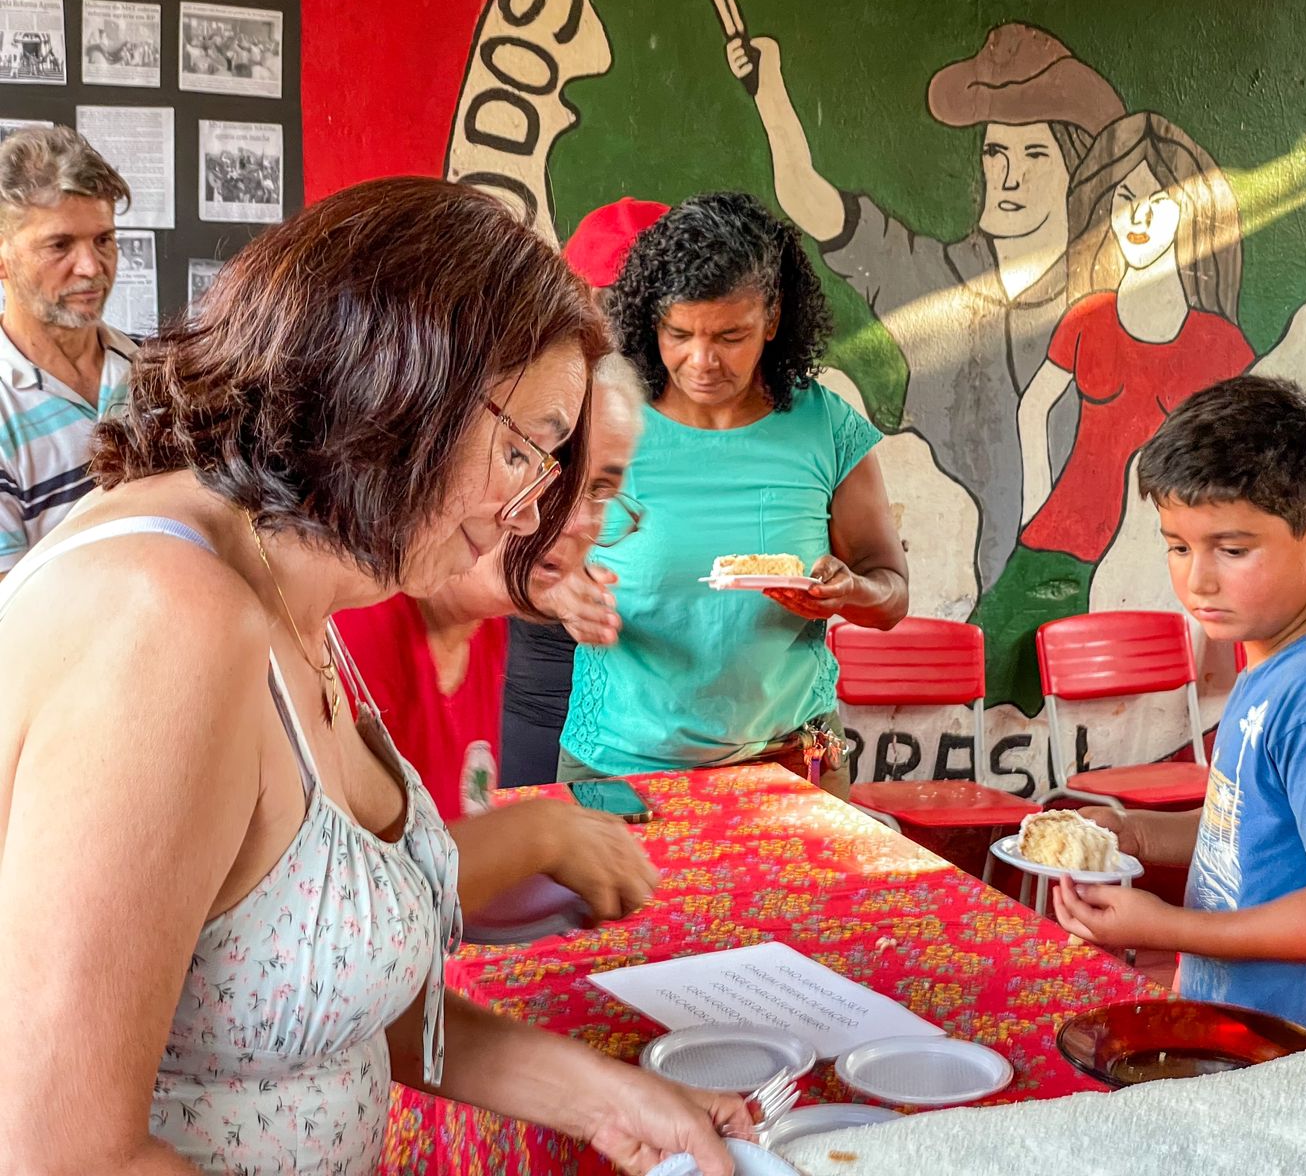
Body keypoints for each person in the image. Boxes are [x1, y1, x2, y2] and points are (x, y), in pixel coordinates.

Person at [0, 177, 746, 1175]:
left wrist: (614, 1098)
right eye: (525, 451)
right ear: (397, 389)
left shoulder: (300, 572)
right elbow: (62, 1157)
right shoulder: (166, 621)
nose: (530, 514)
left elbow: (314, 991)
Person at [1052, 375, 1306, 1046]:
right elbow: (1259, 828)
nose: (1197, 579)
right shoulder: (1274, 656)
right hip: (1245, 1032)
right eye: (1178, 545)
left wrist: (1165, 928)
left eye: (1232, 550)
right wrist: (1137, 832)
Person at [727, 22, 1124, 592]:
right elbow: (810, 200)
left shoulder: (1106, 303)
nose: (1008, 176)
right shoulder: (931, 278)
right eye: (995, 151)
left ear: (1074, 169)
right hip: (943, 586)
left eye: (1034, 152)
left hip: (1072, 585)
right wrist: (771, 96)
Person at [558, 190, 908, 796]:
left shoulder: (826, 428)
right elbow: (510, 561)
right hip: (621, 767)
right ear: (651, 320)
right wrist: (557, 591)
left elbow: (891, 594)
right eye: (679, 333)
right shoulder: (598, 422)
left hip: (792, 765)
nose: (702, 361)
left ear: (772, 320)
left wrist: (850, 592)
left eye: (730, 335)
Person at [337, 355, 659, 920]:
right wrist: (541, 832)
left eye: (603, 490)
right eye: (544, 465)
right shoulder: (354, 627)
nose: (580, 521)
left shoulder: (484, 624)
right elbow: (349, 918)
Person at [1018, 111, 1253, 561]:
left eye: (1158, 200)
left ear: (1189, 213)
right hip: (1062, 538)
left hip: (1162, 553)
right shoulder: (1087, 317)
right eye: (1126, 197)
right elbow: (1034, 407)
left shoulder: (1221, 343)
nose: (1138, 217)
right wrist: (1035, 508)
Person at [502, 195, 668, 788]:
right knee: (534, 855)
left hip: (674, 703)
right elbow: (466, 535)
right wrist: (540, 581)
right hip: (548, 674)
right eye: (609, 308)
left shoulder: (712, 402)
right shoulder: (531, 387)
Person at [0, 125, 135, 577]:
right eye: (60, 245)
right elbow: (10, 618)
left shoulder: (152, 370)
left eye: (103, 239)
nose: (92, 266)